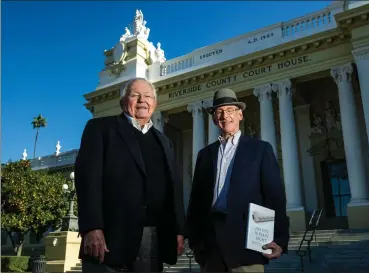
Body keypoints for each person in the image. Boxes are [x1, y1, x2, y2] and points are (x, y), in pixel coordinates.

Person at [74, 77, 185, 273]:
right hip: (109, 238)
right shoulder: (100, 129)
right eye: (135, 95)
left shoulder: (164, 141)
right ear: (123, 101)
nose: (142, 100)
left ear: (155, 103)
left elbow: (173, 189)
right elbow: (88, 181)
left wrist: (178, 230)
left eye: (148, 96)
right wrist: (92, 227)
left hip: (152, 239)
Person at [186, 88, 289, 272]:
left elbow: (274, 197)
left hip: (248, 246)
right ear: (214, 118)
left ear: (240, 114)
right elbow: (196, 202)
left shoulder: (260, 150)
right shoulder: (205, 155)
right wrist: (195, 241)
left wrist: (280, 238)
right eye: (220, 111)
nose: (226, 116)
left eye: (231, 110)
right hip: (211, 248)